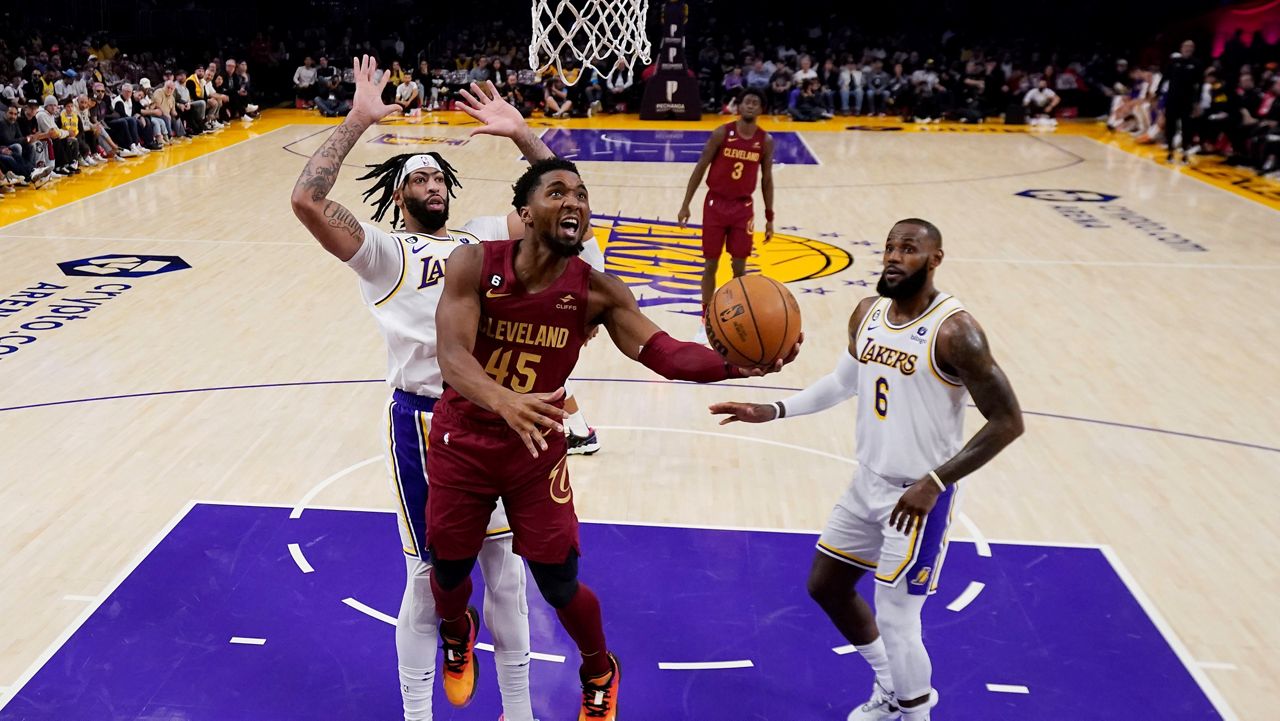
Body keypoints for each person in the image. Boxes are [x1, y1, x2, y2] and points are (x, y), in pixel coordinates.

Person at [425, 146, 799, 720]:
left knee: (557, 581)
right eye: (557, 193)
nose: (573, 201)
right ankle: (457, 629)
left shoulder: (597, 291)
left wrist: (738, 365)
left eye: (581, 195)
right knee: (448, 569)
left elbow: (666, 353)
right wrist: (506, 402)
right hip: (464, 439)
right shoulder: (475, 264)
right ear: (525, 214)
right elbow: (453, 358)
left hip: (534, 453)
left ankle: (599, 667)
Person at [291, 59, 556, 721]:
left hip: (493, 415)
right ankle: (418, 711)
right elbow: (308, 201)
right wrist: (357, 119)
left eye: (438, 174)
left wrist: (523, 132)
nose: (432, 182)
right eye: (419, 176)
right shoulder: (384, 250)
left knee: (505, 571)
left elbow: (563, 206)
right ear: (399, 191)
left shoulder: (485, 238)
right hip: (425, 423)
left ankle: (517, 711)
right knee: (428, 575)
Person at [710, 218, 1024, 721]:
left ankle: (916, 713)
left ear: (935, 259)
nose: (895, 257)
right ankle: (889, 686)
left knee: (899, 618)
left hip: (919, 498)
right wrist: (773, 410)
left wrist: (935, 482)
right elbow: (841, 382)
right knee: (826, 586)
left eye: (910, 249)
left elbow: (1008, 422)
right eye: (890, 248)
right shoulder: (868, 314)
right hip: (868, 483)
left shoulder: (956, 332)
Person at [677, 87, 775, 344]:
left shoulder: (765, 141)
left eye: (756, 102)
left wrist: (770, 216)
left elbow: (767, 180)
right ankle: (706, 318)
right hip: (715, 204)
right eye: (747, 102)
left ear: (761, 109)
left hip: (743, 208)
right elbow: (700, 168)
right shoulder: (722, 132)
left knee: (739, 268)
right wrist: (686, 203)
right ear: (739, 106)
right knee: (710, 264)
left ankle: (735, 319)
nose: (751, 105)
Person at [1163, 39, 1202, 164]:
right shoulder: (1173, 62)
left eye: (1191, 46)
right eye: (1186, 46)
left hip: (1187, 101)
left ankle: (1185, 153)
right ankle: (1170, 151)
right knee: (1170, 126)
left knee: (1187, 128)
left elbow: (1199, 85)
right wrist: (1158, 95)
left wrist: (1197, 103)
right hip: (1172, 100)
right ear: (1181, 48)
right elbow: (1164, 79)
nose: (1188, 48)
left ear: (1193, 49)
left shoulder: (1197, 64)